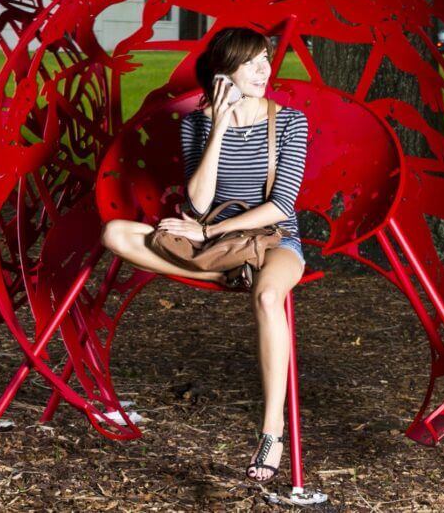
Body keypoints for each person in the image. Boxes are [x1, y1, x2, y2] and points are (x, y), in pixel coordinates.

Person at [100, 27, 308, 483]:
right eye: (250, 62)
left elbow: (281, 206)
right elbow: (196, 200)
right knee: (115, 232)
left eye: (266, 59)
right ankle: (225, 275)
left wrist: (210, 229)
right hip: (215, 246)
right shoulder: (197, 122)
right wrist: (218, 124)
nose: (262, 70)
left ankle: (271, 432)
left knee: (271, 299)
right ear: (223, 74)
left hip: (274, 241)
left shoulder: (290, 121)